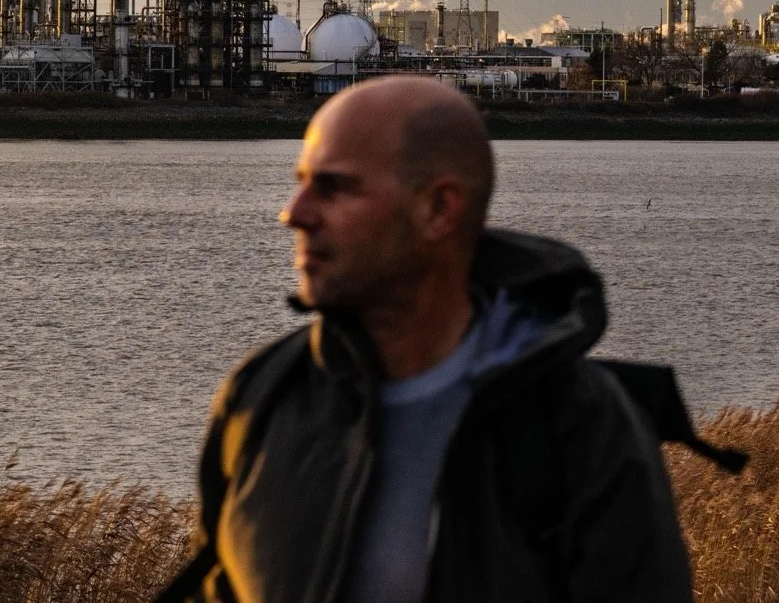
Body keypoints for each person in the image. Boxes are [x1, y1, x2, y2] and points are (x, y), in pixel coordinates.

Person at [158, 76, 695, 602]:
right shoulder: (262, 399)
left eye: (334, 186)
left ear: (439, 209)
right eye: (300, 182)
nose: (293, 213)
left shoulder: (580, 428)